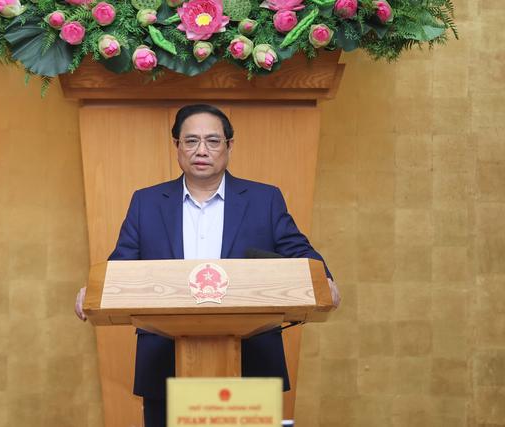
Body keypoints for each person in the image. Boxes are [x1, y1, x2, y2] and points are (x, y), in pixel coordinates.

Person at [75, 103, 340, 427]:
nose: (202, 150)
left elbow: (298, 250)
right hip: (165, 365)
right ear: (177, 146)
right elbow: (122, 265)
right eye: (191, 140)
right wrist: (97, 291)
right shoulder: (146, 202)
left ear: (229, 146)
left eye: (213, 141)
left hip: (250, 359)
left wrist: (323, 278)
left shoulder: (264, 199)